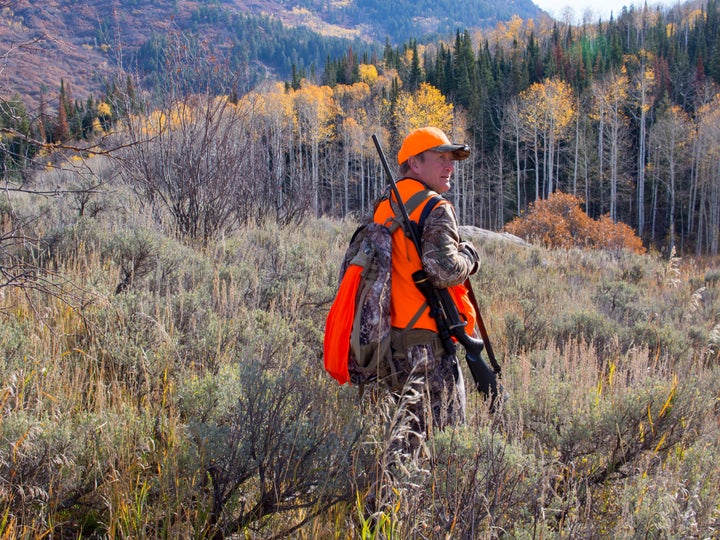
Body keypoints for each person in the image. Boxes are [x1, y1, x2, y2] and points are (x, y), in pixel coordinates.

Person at [372, 126, 480, 449]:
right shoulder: (435, 207)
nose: (450, 166)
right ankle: (443, 502)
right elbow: (444, 271)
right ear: (414, 164)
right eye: (440, 158)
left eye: (452, 159)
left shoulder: (384, 205)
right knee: (447, 447)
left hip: (389, 346)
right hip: (429, 348)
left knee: (403, 443)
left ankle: (391, 499)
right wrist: (470, 257)